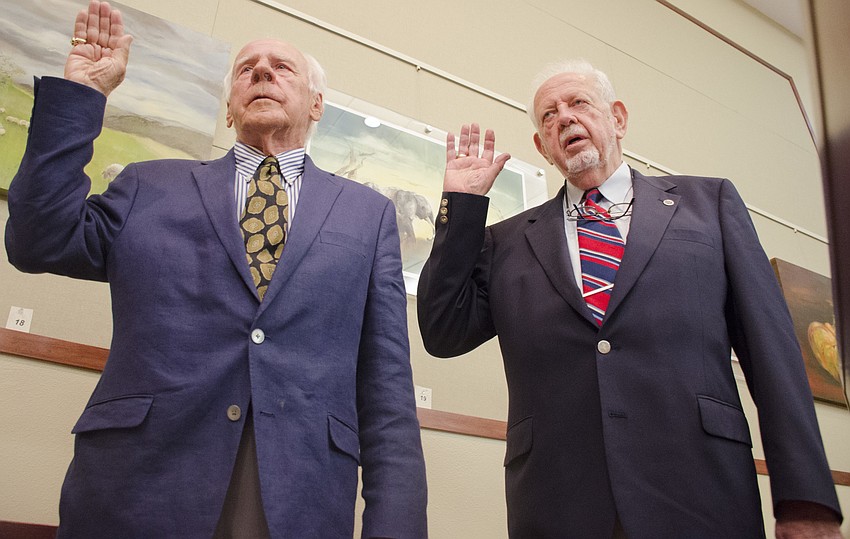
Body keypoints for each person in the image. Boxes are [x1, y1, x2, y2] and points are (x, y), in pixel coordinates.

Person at [5, 1, 427, 537]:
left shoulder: (369, 216)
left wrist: (397, 526)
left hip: (300, 495)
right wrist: (83, 95)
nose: (262, 71)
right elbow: (37, 241)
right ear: (228, 109)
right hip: (139, 484)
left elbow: (386, 385)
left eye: (282, 66)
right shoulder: (147, 185)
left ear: (317, 104)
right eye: (247, 68)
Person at [417, 59, 843, 538]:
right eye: (549, 116)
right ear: (543, 147)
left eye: (578, 103)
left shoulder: (710, 205)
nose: (564, 118)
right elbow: (443, 332)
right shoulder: (507, 242)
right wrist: (462, 205)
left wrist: (806, 499)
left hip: (701, 494)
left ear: (617, 118)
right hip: (558, 503)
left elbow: (773, 355)